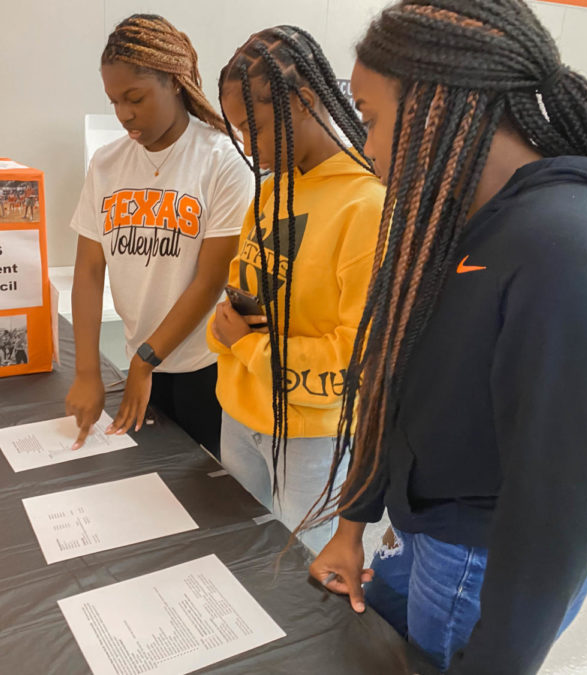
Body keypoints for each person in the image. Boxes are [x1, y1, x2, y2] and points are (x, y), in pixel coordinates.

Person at [306, 2, 587, 673]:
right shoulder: (452, 218)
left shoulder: (563, 244)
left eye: (372, 120)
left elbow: (556, 502)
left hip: (486, 561)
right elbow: (396, 380)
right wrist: (354, 521)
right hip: (425, 533)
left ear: (444, 102)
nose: (366, 148)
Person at [209, 26, 384, 554]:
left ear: (305, 101)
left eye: (252, 127)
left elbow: (358, 357)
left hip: (311, 437)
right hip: (239, 414)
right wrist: (230, 330)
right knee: (243, 560)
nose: (246, 146)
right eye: (236, 130)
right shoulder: (269, 192)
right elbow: (242, 294)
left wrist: (246, 345)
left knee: (302, 587)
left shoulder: (366, 205)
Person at [65, 14, 252, 458]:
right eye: (114, 102)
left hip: (204, 367)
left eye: (135, 98)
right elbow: (89, 270)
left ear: (174, 81)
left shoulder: (223, 160)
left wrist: (145, 359)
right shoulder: (107, 164)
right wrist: (88, 370)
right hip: (141, 362)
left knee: (205, 501)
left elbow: (210, 281)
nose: (124, 114)